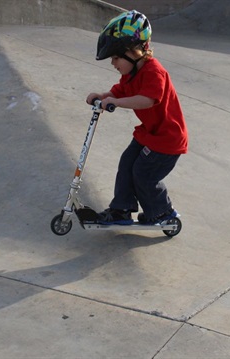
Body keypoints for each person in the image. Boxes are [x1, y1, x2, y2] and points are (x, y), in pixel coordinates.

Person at [86, 10, 188, 225]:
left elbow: (147, 100)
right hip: (149, 134)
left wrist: (116, 103)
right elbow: (118, 92)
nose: (113, 63)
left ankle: (163, 213)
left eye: (115, 57)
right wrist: (102, 96)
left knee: (143, 174)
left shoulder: (154, 72)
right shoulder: (130, 74)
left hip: (167, 139)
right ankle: (121, 209)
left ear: (133, 51)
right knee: (127, 163)